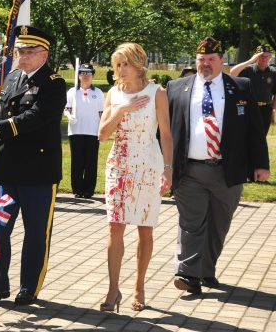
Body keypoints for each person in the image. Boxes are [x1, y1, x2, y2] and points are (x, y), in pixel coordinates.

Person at [0, 25, 66, 306]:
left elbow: (36, 116)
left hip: (38, 172)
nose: (22, 56)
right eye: (20, 51)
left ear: (44, 54)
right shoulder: (13, 77)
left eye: (29, 52)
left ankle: (29, 287)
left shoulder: (54, 83)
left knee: (35, 233)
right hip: (6, 169)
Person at [167, 37, 269, 296]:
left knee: (218, 225)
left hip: (228, 170)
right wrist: (165, 166)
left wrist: (260, 164)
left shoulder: (241, 86)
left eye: (211, 59)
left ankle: (206, 271)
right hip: (189, 170)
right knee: (191, 223)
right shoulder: (177, 87)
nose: (205, 64)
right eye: (201, 59)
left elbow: (255, 130)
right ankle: (188, 274)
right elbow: (165, 132)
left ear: (222, 61)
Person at [98, 42, 172, 312]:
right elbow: (102, 135)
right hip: (119, 164)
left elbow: (165, 135)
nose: (121, 69)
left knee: (144, 227)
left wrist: (168, 169)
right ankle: (112, 289)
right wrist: (120, 111)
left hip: (148, 166)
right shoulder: (113, 94)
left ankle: (139, 287)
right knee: (114, 227)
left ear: (139, 64)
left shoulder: (157, 93)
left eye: (126, 63)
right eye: (118, 64)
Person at [64, 63, 104, 199]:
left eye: (88, 73)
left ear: (92, 75)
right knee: (77, 161)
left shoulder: (98, 93)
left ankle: (89, 190)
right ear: (79, 75)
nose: (86, 76)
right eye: (83, 73)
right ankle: (77, 189)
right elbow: (67, 108)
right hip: (75, 131)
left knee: (91, 162)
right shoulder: (72, 92)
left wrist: (103, 129)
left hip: (93, 131)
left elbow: (101, 113)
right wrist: (69, 116)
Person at [229, 44, 275, 135]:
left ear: (270, 57)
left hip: (266, 108)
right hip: (250, 108)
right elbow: (232, 72)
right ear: (256, 57)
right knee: (248, 135)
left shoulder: (273, 72)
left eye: (267, 56)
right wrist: (250, 61)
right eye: (261, 56)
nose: (264, 58)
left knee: (262, 136)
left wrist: (272, 109)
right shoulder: (248, 70)